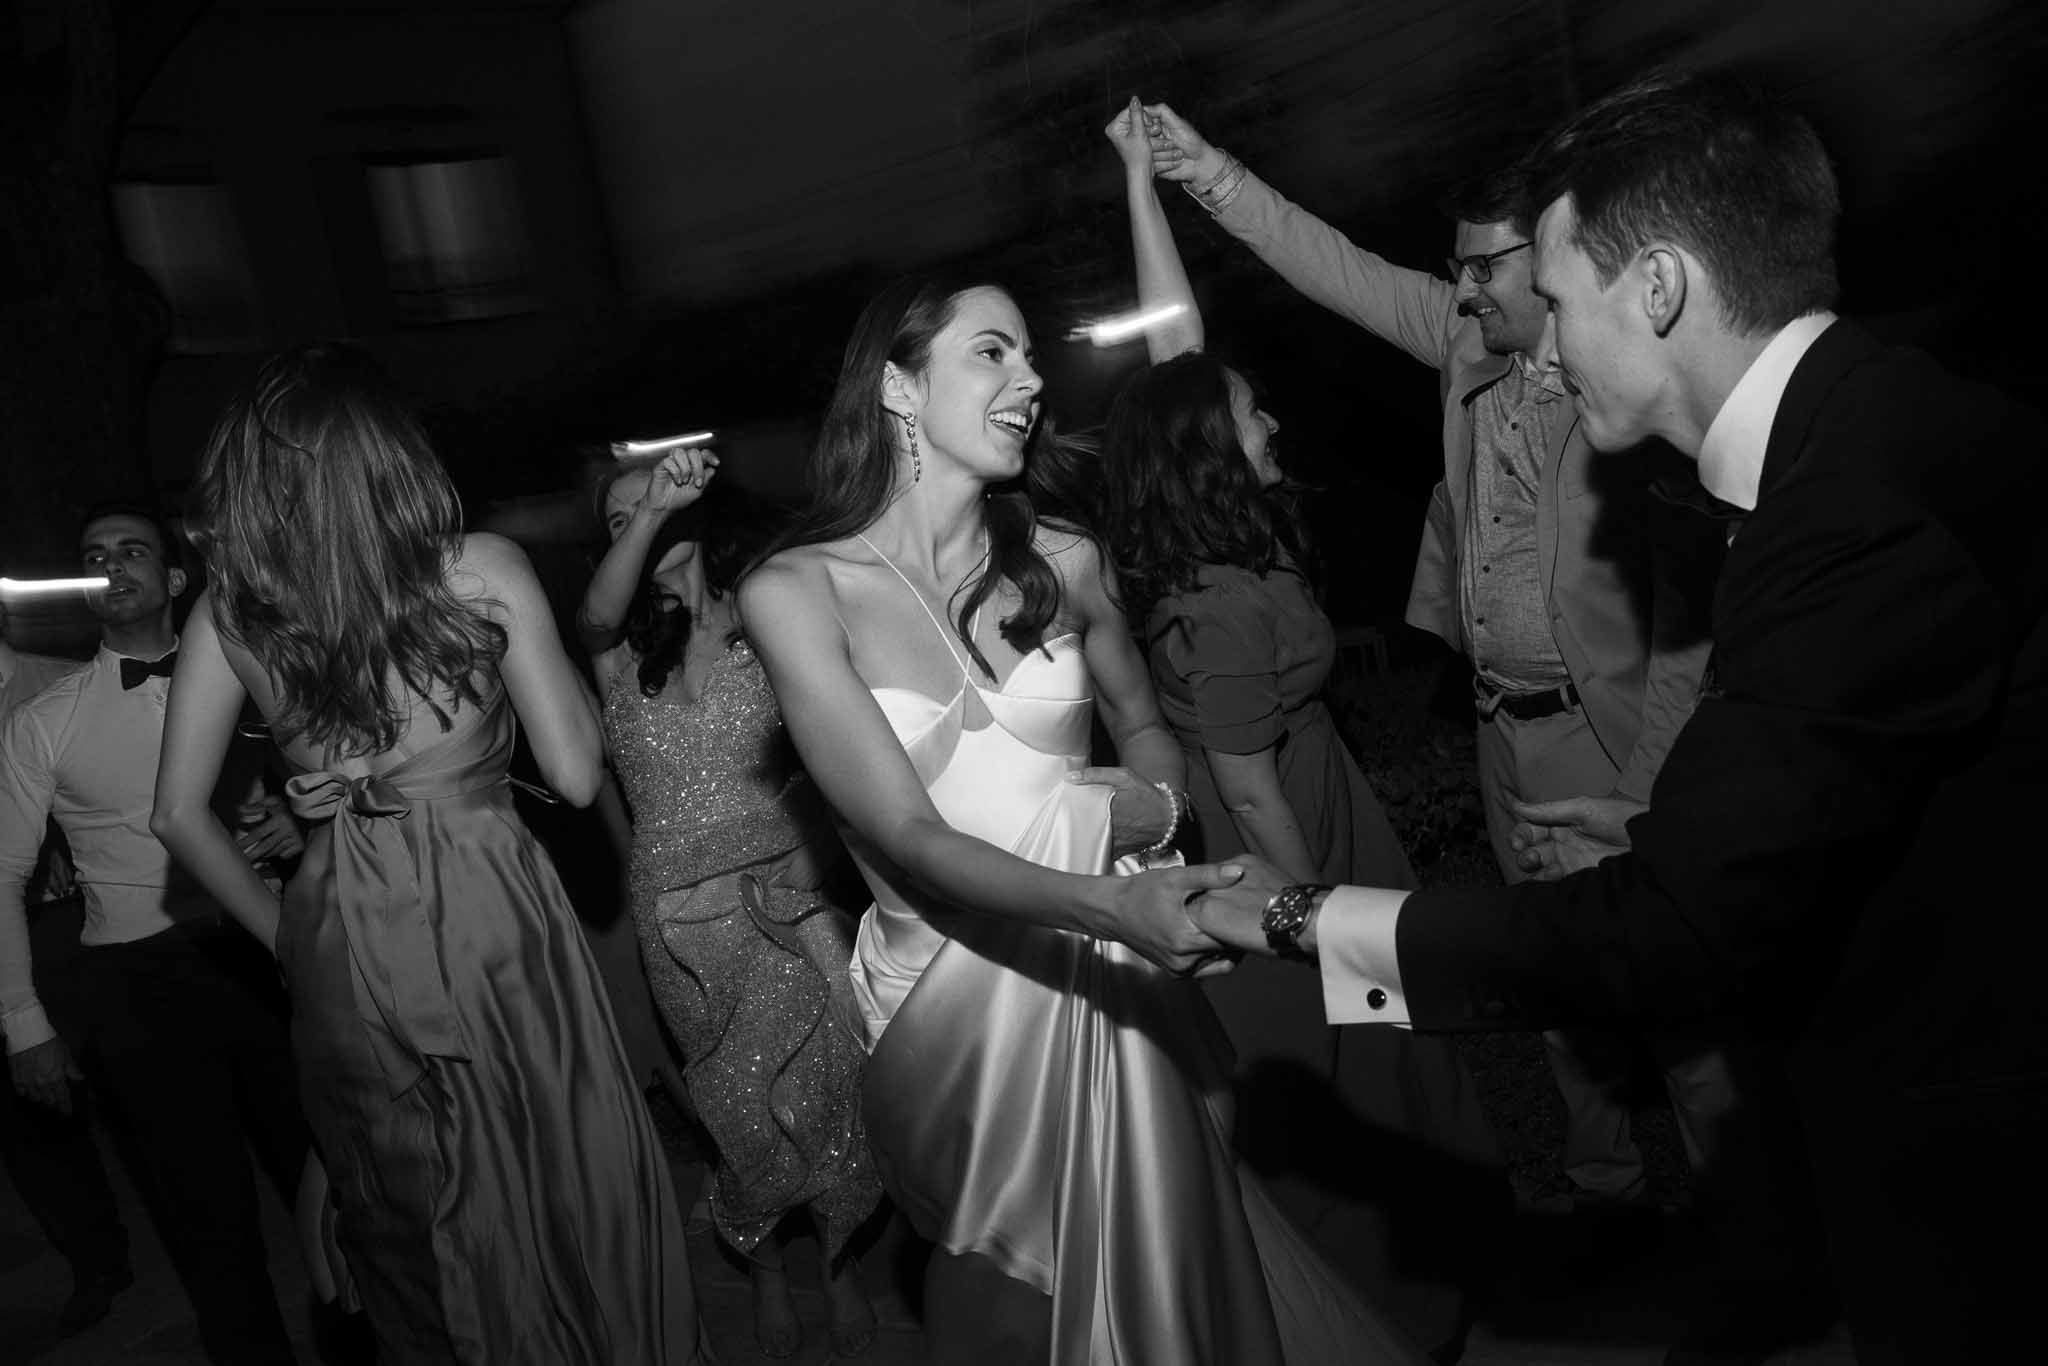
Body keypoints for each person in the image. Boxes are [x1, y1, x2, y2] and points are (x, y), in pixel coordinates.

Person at [1190, 70, 2048, 1366]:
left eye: (1556, 294)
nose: (1535, 329)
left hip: (1973, 1136)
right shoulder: (1866, 428)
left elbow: (1676, 922)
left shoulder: (1853, 517)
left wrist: (1298, 919)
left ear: (1655, 291)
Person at [740, 273, 1430, 1365]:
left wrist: (1145, 810)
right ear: (897, 388)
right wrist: (1109, 890)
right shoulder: (796, 592)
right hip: (943, 993)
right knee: (1015, 1286)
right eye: (991, 352)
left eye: (1029, 357)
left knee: (1163, 1253)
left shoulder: (1065, 558)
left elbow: (1150, 733)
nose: (1028, 379)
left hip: (1107, 958)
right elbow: (912, 840)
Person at [1140, 100, 1753, 1232]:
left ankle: (1746, 1223)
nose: (1462, 287)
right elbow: (1334, 267)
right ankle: (1602, 1201)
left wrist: (1642, 793)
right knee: (1546, 981)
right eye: (1456, 268)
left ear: (1557, 254)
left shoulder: (1631, 377)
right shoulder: (1466, 345)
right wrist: (1204, 172)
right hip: (1501, 731)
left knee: (1671, 988)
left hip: (1612, 734)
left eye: (1483, 265)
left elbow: (1687, 628)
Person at [151, 345, 703, 1366]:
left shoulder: (230, 608)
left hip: (339, 921)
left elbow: (179, 815)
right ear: (390, 457)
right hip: (492, 905)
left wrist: (290, 940)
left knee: (412, 1198)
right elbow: (578, 778)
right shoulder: (480, 567)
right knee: (554, 1164)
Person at [1092, 99, 1506, 1358]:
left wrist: (1139, 183)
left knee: (1390, 1045)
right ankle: (1372, 1307)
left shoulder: (1232, 532)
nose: (1272, 421)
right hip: (1276, 834)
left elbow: (1177, 346)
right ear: (1215, 448)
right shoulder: (1210, 600)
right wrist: (1312, 911)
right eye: (1252, 413)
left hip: (1319, 795)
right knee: (1347, 1059)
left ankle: (1437, 1263)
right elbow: (1245, 781)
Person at [581, 450, 881, 1359]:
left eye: (656, 508)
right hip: (677, 917)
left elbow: (845, 749)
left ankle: (836, 1266)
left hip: (783, 897)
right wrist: (648, 507)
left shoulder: (773, 621)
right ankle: (764, 1270)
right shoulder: (617, 652)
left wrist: (815, 847)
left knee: (828, 1089)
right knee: (737, 1106)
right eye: (618, 520)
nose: (641, 523)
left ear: (702, 518)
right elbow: (594, 611)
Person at [1, 505, 312, 1365]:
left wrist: (300, 818)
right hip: (138, 983)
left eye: (130, 550)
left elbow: (337, 774)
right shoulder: (42, 722)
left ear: (177, 580)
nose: (109, 565)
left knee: (328, 1174)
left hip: (268, 950)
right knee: (205, 1216)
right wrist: (24, 1022)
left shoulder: (261, 677)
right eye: (93, 554)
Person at [0, 593, 134, 1338]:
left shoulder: (63, 680)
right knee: (29, 1117)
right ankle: (94, 1264)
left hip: (69, 921)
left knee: (125, 1085)